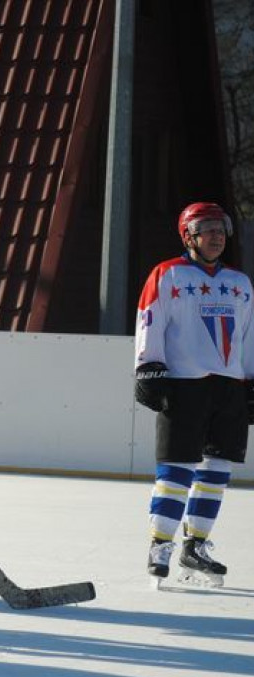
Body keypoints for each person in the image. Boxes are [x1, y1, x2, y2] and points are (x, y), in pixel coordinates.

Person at [135, 201, 254, 586]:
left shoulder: (240, 283)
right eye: (207, 229)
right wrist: (149, 367)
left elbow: (248, 335)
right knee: (176, 469)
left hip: (229, 387)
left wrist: (250, 379)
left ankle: (195, 546)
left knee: (216, 471)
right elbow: (150, 320)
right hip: (184, 384)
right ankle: (161, 544)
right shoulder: (168, 274)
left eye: (221, 229)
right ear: (189, 235)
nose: (216, 236)